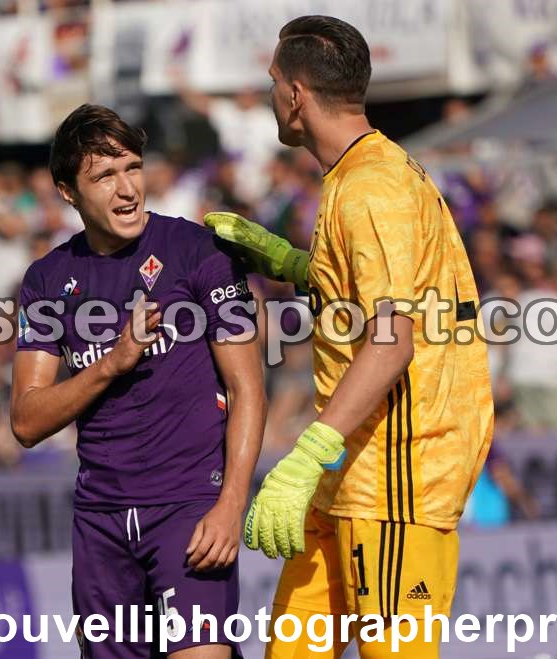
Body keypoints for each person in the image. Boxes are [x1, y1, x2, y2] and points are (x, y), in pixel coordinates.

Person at [205, 16, 494, 658]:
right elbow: (376, 297)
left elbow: (392, 340)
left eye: (273, 81)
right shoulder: (362, 172)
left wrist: (308, 454)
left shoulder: (370, 187)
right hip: (348, 471)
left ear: (296, 95)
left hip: (394, 476)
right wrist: (291, 264)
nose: (270, 94)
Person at [10, 104, 266, 659]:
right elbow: (26, 421)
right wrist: (111, 363)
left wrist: (231, 505)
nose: (127, 189)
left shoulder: (198, 252)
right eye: (105, 176)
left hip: (189, 508)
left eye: (132, 167)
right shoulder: (46, 281)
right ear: (68, 192)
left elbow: (247, 388)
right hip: (100, 523)